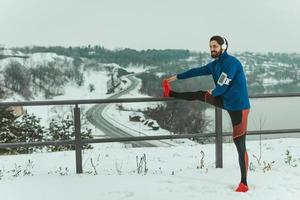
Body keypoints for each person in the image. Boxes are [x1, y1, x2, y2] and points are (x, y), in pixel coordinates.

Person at [162, 35, 251, 192]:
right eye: (210, 47)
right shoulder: (215, 65)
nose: (212, 49)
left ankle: (244, 183)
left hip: (239, 107)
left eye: (215, 46)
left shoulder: (232, 63)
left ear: (223, 47)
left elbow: (223, 84)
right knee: (199, 94)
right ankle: (170, 93)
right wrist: (176, 77)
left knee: (239, 143)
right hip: (224, 100)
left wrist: (214, 91)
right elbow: (197, 71)